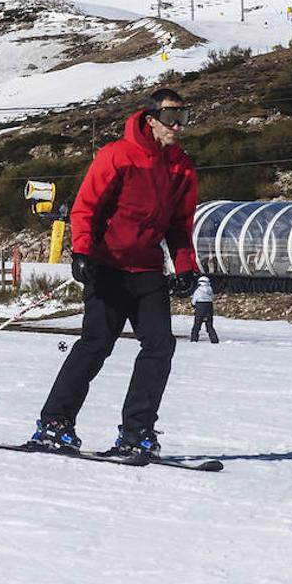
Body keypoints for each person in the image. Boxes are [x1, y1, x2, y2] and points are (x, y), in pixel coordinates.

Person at [31, 87, 199, 460]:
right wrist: (82, 251)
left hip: (146, 269)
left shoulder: (181, 166)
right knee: (97, 343)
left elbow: (179, 225)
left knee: (160, 345)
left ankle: (137, 431)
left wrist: (186, 266)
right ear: (151, 118)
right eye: (172, 118)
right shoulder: (117, 156)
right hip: (107, 266)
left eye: (184, 118)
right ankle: (55, 423)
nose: (179, 126)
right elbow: (86, 207)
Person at [189, 274, 219, 344]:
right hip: (209, 307)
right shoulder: (210, 289)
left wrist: (193, 304)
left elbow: (194, 299)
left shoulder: (198, 290)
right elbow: (212, 298)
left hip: (200, 307)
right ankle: (214, 339)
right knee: (209, 326)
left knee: (197, 325)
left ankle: (194, 339)